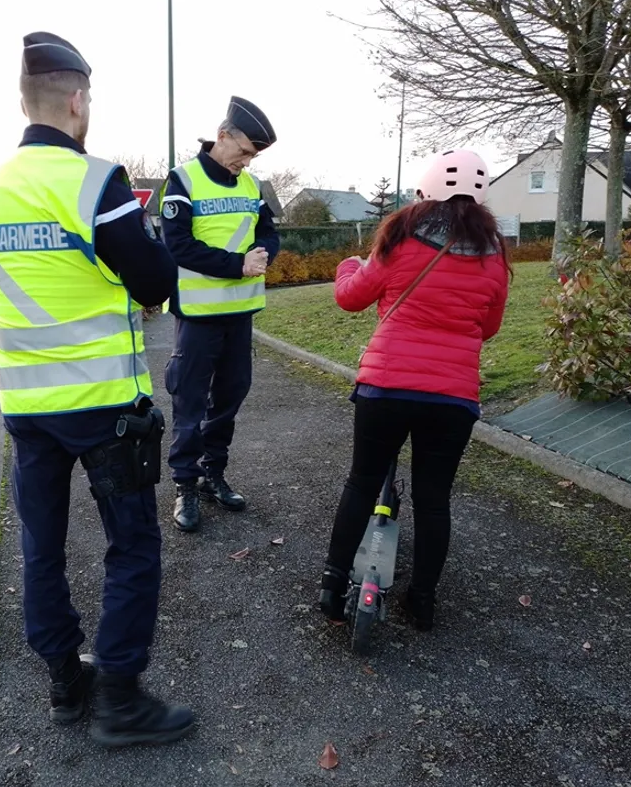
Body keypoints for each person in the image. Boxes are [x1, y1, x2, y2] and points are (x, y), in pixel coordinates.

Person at [0, 31, 194, 747]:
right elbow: (156, 278)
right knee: (132, 545)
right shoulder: (96, 181)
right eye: (86, 97)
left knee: (42, 547)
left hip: (26, 408)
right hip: (100, 407)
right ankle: (120, 698)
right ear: (76, 99)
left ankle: (68, 683)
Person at [315, 149, 512, 631]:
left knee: (363, 481)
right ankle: (421, 601)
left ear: (424, 189)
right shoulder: (494, 255)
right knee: (433, 497)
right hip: (452, 396)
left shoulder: (400, 238)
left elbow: (349, 297)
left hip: (386, 387)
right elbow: (488, 327)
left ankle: (331, 584)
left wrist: (348, 265)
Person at [159, 97, 281, 533]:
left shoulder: (252, 186)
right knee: (189, 403)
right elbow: (177, 245)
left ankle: (213, 474)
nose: (246, 163)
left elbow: (268, 229)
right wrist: (237, 266)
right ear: (223, 135)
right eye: (244, 151)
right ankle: (185, 485)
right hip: (197, 316)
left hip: (240, 313)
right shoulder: (182, 180)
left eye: (254, 157)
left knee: (229, 398)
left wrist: (266, 252)